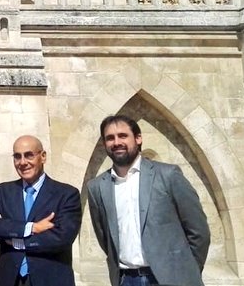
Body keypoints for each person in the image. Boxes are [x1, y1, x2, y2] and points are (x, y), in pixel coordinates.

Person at [87, 115, 210, 286]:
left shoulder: (168, 175)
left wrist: (188, 271)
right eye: (110, 138)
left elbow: (198, 231)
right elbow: (105, 238)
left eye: (123, 136)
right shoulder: (97, 187)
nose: (116, 142)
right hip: (126, 280)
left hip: (172, 279)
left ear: (138, 138)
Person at [0, 135, 81, 286]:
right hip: (10, 279)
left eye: (29, 155)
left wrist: (17, 241)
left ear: (43, 156)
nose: (23, 162)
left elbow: (62, 238)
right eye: (17, 156)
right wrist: (32, 228)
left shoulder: (66, 194)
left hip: (50, 279)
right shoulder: (2, 192)